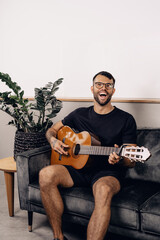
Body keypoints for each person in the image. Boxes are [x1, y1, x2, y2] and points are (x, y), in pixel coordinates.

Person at [39, 71, 137, 240]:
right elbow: (52, 130)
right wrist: (53, 141)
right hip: (77, 169)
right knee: (45, 174)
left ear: (113, 91)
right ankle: (59, 237)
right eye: (99, 84)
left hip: (107, 173)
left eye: (108, 85)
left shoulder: (126, 119)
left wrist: (120, 158)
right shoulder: (79, 114)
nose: (103, 88)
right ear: (92, 88)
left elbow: (131, 161)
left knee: (103, 190)